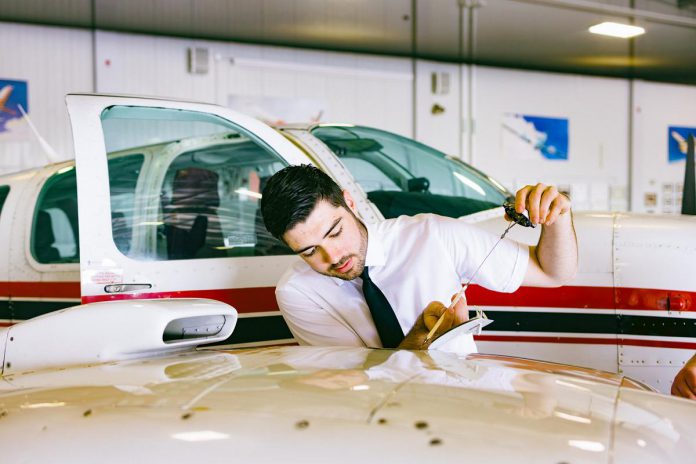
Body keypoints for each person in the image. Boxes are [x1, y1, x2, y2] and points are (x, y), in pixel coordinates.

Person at [261, 165, 577, 353]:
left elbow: (552, 273)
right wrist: (420, 344)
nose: (333, 256)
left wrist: (558, 217)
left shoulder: (433, 234)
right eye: (309, 251)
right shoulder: (296, 291)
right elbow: (354, 392)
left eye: (334, 231)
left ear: (349, 202)